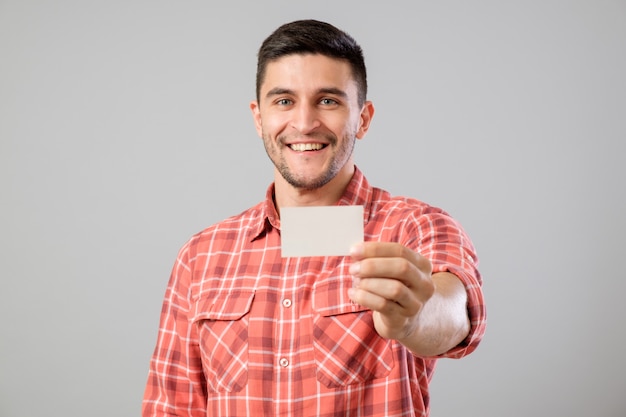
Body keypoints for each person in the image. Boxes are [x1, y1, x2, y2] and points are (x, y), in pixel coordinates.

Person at [142, 19, 486, 417]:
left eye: (328, 101)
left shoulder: (417, 227)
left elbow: (457, 316)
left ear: (364, 117)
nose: (304, 123)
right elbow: (171, 407)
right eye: (284, 101)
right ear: (258, 118)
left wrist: (413, 319)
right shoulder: (200, 257)